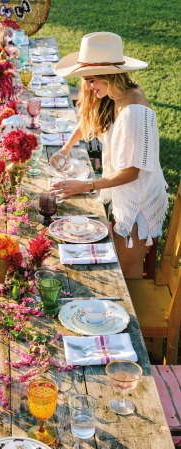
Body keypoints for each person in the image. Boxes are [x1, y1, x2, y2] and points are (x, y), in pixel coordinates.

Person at [50, 32, 168, 279]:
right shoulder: (114, 94)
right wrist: (67, 147)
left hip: (139, 200)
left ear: (108, 75)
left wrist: (87, 185)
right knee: (115, 259)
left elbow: (132, 172)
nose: (89, 87)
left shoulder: (134, 113)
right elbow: (90, 121)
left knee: (127, 269)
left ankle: (135, 316)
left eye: (92, 80)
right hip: (123, 193)